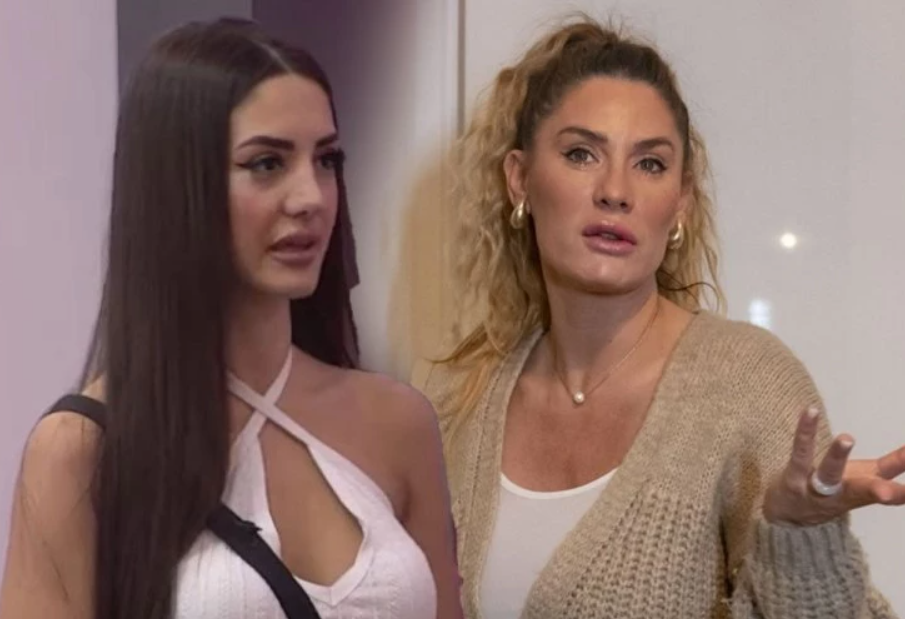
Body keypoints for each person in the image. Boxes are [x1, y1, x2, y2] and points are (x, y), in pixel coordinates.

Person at [412, 16, 904, 619]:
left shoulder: (747, 382)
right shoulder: (455, 398)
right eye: (581, 154)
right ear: (520, 180)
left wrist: (801, 543)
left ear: (681, 204)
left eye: (649, 164)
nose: (615, 191)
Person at [0, 18, 461, 619]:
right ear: (177, 185)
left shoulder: (399, 422)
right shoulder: (83, 452)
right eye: (266, 163)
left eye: (326, 160)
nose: (311, 197)